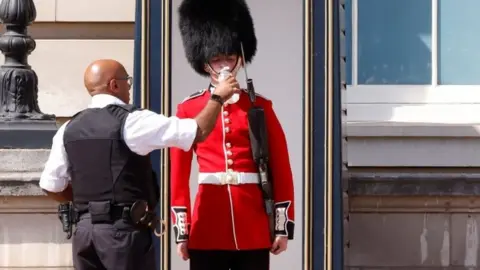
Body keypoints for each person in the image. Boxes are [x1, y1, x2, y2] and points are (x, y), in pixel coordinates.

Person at [38, 59, 239, 270]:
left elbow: (51, 186)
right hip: (123, 234)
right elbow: (198, 131)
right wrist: (218, 96)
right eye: (128, 82)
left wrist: (89, 204)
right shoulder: (132, 121)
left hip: (85, 234)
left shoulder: (68, 128)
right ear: (114, 85)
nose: (129, 88)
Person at [170, 0, 295, 269]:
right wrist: (182, 229)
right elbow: (178, 175)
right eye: (217, 59)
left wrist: (281, 226)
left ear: (240, 59)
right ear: (206, 65)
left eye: (229, 57)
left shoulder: (260, 106)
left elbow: (281, 168)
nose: (224, 64)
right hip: (208, 222)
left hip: (252, 223)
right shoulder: (189, 108)